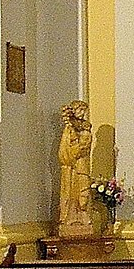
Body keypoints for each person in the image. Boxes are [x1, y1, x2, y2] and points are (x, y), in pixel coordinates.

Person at [55, 100, 97, 234]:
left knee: (83, 192)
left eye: (84, 111)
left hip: (82, 166)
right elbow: (64, 151)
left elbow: (84, 148)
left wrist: (79, 145)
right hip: (71, 168)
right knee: (70, 193)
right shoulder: (69, 130)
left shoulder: (86, 130)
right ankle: (70, 216)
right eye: (80, 110)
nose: (83, 113)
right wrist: (74, 147)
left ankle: (83, 214)